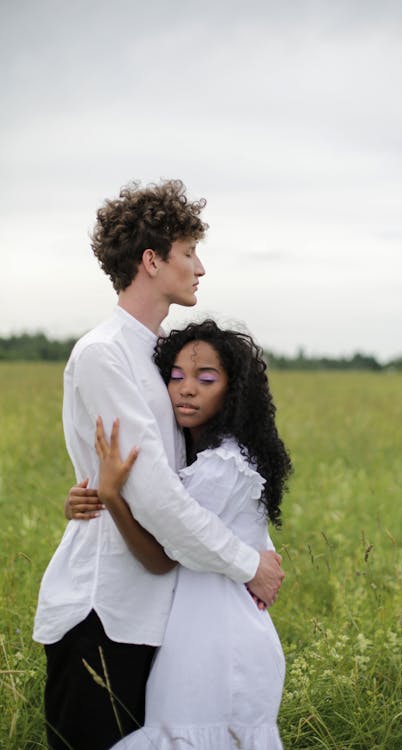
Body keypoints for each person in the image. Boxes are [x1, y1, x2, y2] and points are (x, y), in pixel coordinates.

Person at [33, 181, 284, 750]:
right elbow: (153, 495)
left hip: (163, 618)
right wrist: (248, 564)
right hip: (105, 613)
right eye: (188, 251)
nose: (200, 267)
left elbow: (206, 474)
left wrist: (258, 541)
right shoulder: (104, 354)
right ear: (152, 261)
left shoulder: (164, 355)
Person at [67, 319, 292, 749]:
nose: (186, 389)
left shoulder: (220, 468)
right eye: (175, 377)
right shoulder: (219, 459)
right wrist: (82, 499)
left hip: (216, 646)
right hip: (210, 636)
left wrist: (112, 496)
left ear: (233, 392)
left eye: (206, 379)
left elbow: (160, 554)